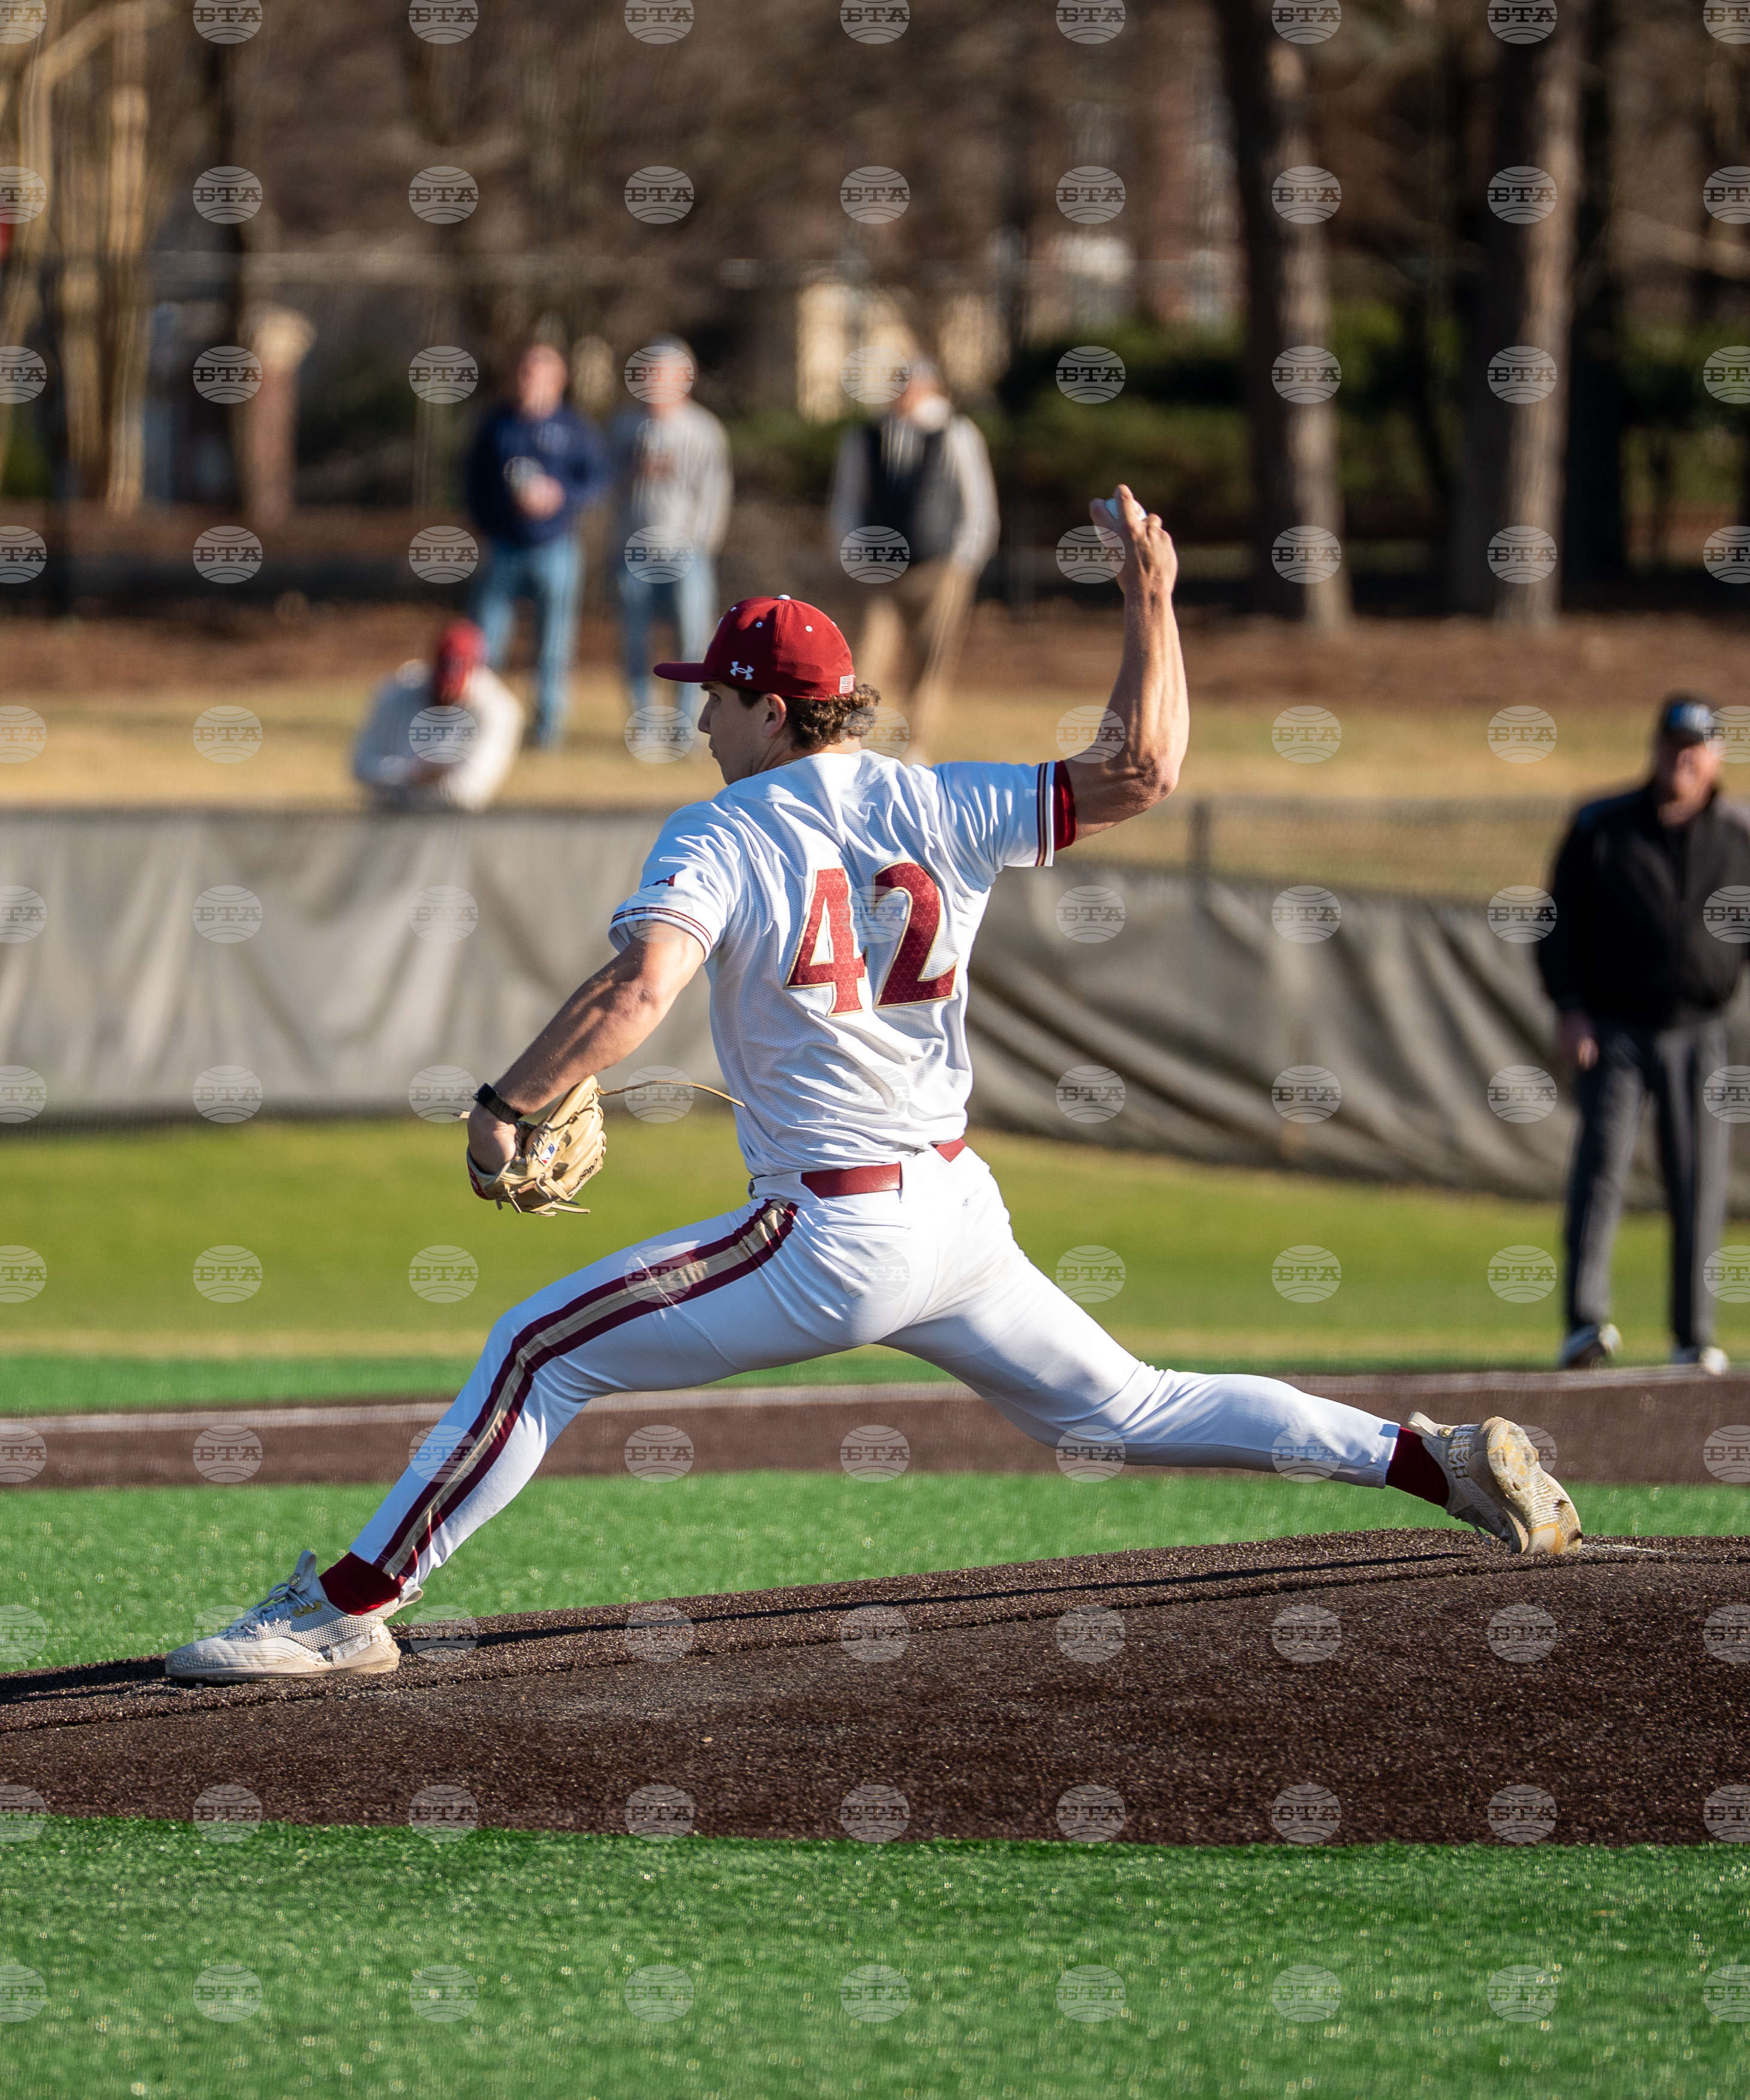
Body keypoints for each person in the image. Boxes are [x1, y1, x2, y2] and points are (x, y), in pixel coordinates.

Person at [164, 489, 1580, 1685]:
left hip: (830, 1231)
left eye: (712, 696)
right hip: (953, 1213)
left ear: (767, 708)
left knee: (541, 1348)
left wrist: (507, 1098)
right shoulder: (940, 797)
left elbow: (639, 992)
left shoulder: (723, 826)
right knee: (1128, 1405)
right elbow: (1144, 766)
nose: (698, 719)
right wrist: (1152, 599)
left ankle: (345, 1612)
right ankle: (1433, 1460)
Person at [1540, 694, 1750, 1374]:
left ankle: (1694, 1333)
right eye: (1670, 745)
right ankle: (1584, 1322)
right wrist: (1570, 1006)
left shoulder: (1737, 837)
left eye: (1694, 748)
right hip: (1615, 1028)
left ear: (1715, 756)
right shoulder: (1604, 826)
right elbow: (1558, 924)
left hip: (1700, 1030)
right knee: (1601, 1170)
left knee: (1698, 1178)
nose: (1680, 759)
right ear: (1654, 748)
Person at [827, 356, 998, 757]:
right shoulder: (867, 435)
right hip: (877, 568)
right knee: (867, 655)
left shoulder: (956, 432)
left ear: (930, 387)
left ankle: (916, 743)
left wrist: (964, 560)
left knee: (931, 660)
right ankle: (853, 740)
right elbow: (847, 500)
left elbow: (976, 502)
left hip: (938, 567)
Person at [463, 342, 610, 752]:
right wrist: (495, 520)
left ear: (558, 380)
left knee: (553, 644)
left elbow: (596, 480)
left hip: (556, 551)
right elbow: (472, 484)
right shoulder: (496, 425)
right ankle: (478, 726)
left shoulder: (575, 428)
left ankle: (547, 731)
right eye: (524, 372)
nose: (529, 381)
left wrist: (561, 497)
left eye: (539, 373)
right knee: (486, 640)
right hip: (504, 550)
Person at [608, 336, 732, 727]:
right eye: (648, 374)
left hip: (686, 552)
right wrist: (633, 471)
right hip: (632, 550)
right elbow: (600, 483)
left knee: (693, 640)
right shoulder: (623, 426)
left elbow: (715, 494)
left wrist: (701, 544)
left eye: (664, 374)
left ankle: (687, 723)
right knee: (635, 639)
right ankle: (643, 721)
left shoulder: (704, 430)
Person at [351, 619, 523, 812]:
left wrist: (414, 780)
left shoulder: (498, 709)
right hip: (388, 816)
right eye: (442, 688)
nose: (446, 696)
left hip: (454, 826)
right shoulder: (397, 693)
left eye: (454, 690)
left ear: (476, 674)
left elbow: (469, 791)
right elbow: (361, 766)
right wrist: (410, 773)